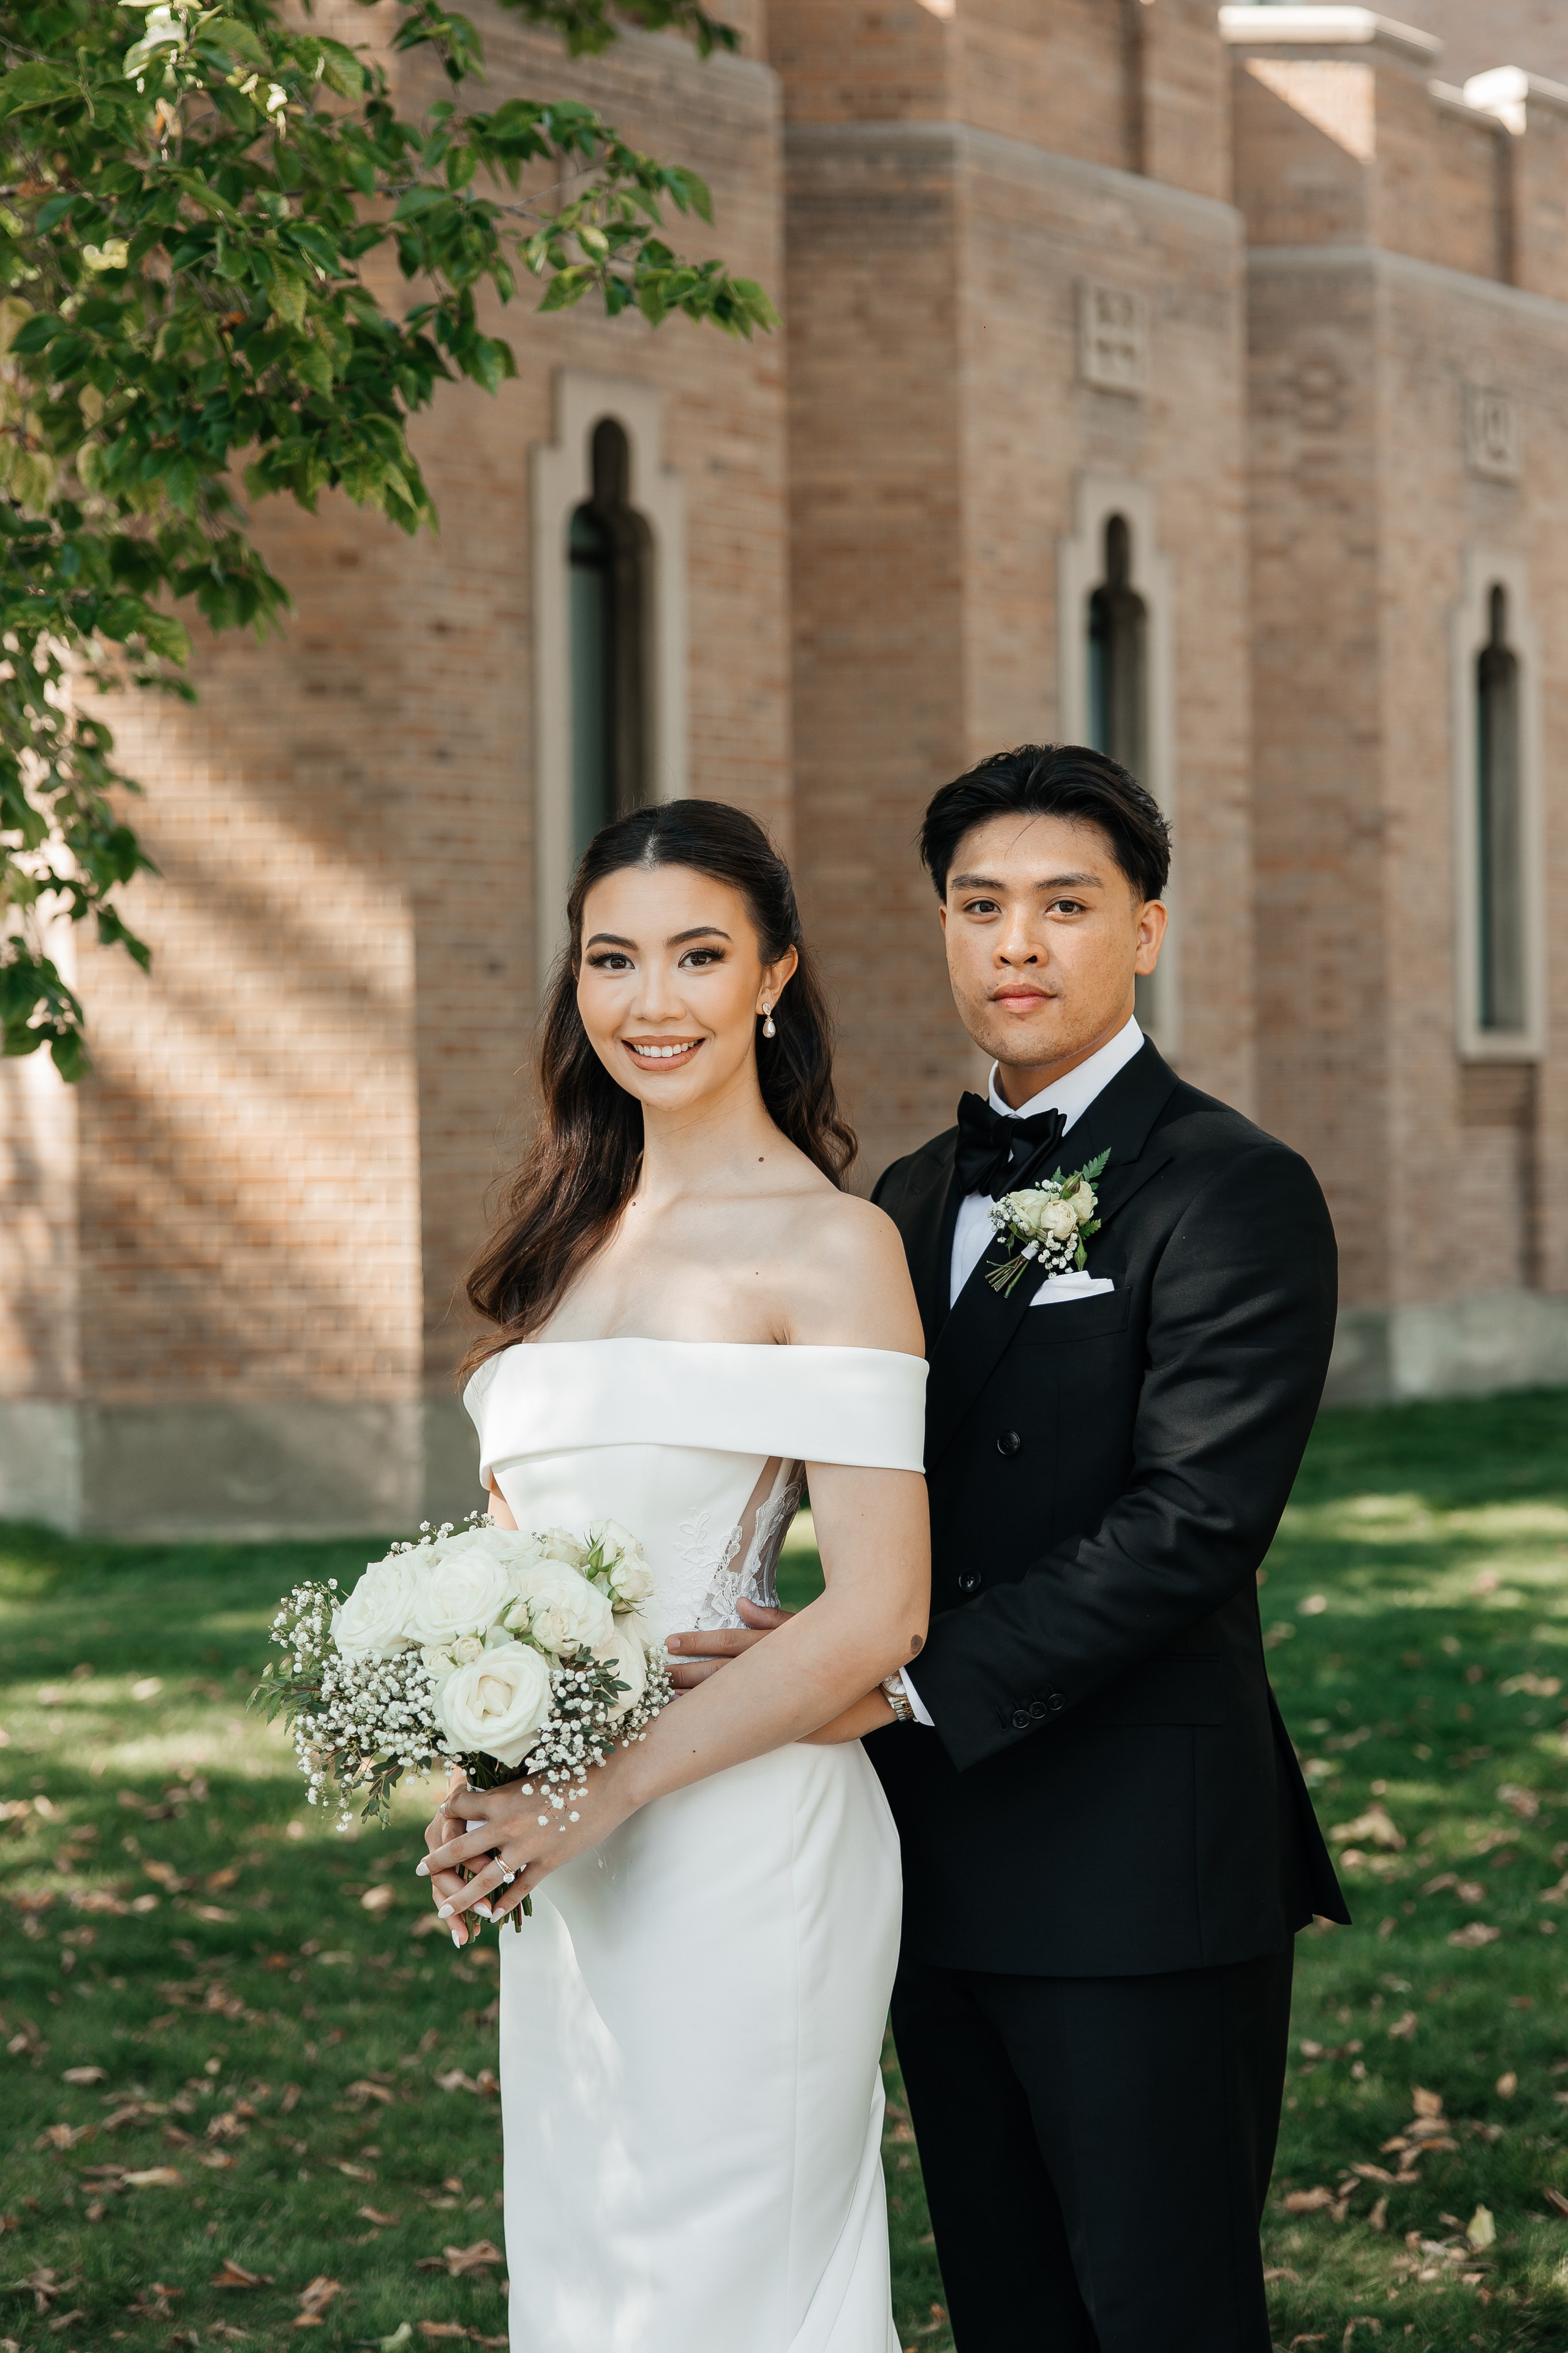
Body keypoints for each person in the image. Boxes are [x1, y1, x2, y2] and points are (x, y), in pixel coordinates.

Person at [675, 744, 1349, 2352]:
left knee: (1161, 2309)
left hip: (1141, 1866)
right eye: (981, 906)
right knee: (1007, 2303)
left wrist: (889, 1686)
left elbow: (1189, 1528)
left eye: (1066, 905)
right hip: (934, 1858)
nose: (1019, 944)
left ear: (1149, 931)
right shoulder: (904, 1197)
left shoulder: (1234, 1188)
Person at [418, 799, 931, 2353]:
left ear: (773, 974)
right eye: (612, 960)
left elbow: (878, 1608)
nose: (653, 1002)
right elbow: (525, 1578)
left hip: (741, 1841)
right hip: (573, 1859)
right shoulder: (560, 1239)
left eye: (697, 956)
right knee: (590, 2261)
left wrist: (612, 1787)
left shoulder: (831, 1245)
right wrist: (488, 1773)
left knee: (733, 2271)